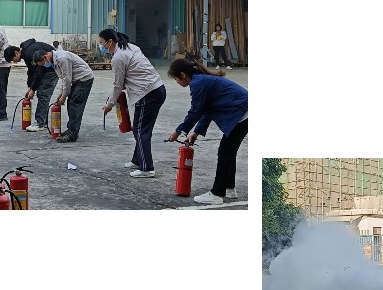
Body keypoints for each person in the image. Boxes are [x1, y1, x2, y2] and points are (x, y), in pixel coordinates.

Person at [166, 59, 247, 204]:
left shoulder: (198, 84)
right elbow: (206, 111)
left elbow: (195, 112)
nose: (177, 82)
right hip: (243, 112)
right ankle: (229, 188)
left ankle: (216, 193)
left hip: (242, 113)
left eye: (175, 78)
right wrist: (196, 132)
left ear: (183, 75)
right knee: (228, 151)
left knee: (225, 152)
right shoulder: (201, 81)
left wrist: (178, 131)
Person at [97, 29, 166, 178]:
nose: (101, 46)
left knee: (140, 130)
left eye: (102, 43)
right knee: (142, 129)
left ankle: (147, 168)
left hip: (147, 93)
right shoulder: (130, 47)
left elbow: (117, 85)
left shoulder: (118, 58)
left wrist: (109, 104)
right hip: (157, 89)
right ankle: (137, 160)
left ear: (110, 42)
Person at [33, 49, 94, 143]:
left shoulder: (62, 58)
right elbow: (63, 78)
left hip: (84, 78)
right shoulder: (55, 60)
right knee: (71, 103)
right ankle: (71, 130)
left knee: (75, 104)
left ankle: (73, 134)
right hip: (77, 80)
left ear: (45, 57)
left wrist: (64, 96)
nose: (44, 65)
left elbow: (67, 78)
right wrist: (61, 94)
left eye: (43, 63)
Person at [4, 39, 57, 132]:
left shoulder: (29, 53)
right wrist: (30, 87)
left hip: (52, 69)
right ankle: (43, 121)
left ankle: (40, 123)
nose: (14, 62)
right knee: (42, 93)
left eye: (13, 60)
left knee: (43, 94)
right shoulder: (27, 51)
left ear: (16, 53)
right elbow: (31, 70)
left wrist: (33, 89)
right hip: (47, 69)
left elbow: (38, 73)